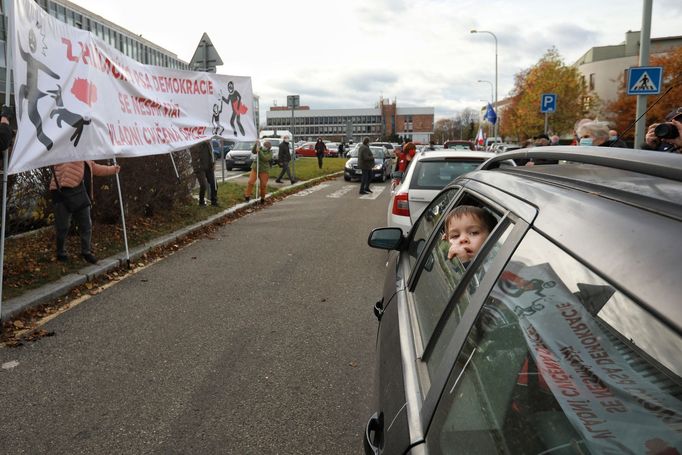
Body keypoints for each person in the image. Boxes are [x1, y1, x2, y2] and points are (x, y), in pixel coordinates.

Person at [50, 160, 120, 263]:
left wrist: (114, 169)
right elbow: (59, 169)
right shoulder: (65, 154)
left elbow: (97, 169)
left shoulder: (86, 158)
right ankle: (61, 253)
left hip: (81, 195)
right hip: (61, 195)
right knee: (63, 227)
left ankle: (86, 252)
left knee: (86, 225)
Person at [190, 140, 218, 206]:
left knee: (214, 184)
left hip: (209, 167)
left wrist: (213, 163)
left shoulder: (209, 144)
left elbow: (211, 154)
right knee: (203, 185)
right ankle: (201, 201)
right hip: (200, 168)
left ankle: (214, 201)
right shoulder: (196, 143)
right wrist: (202, 142)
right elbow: (194, 153)